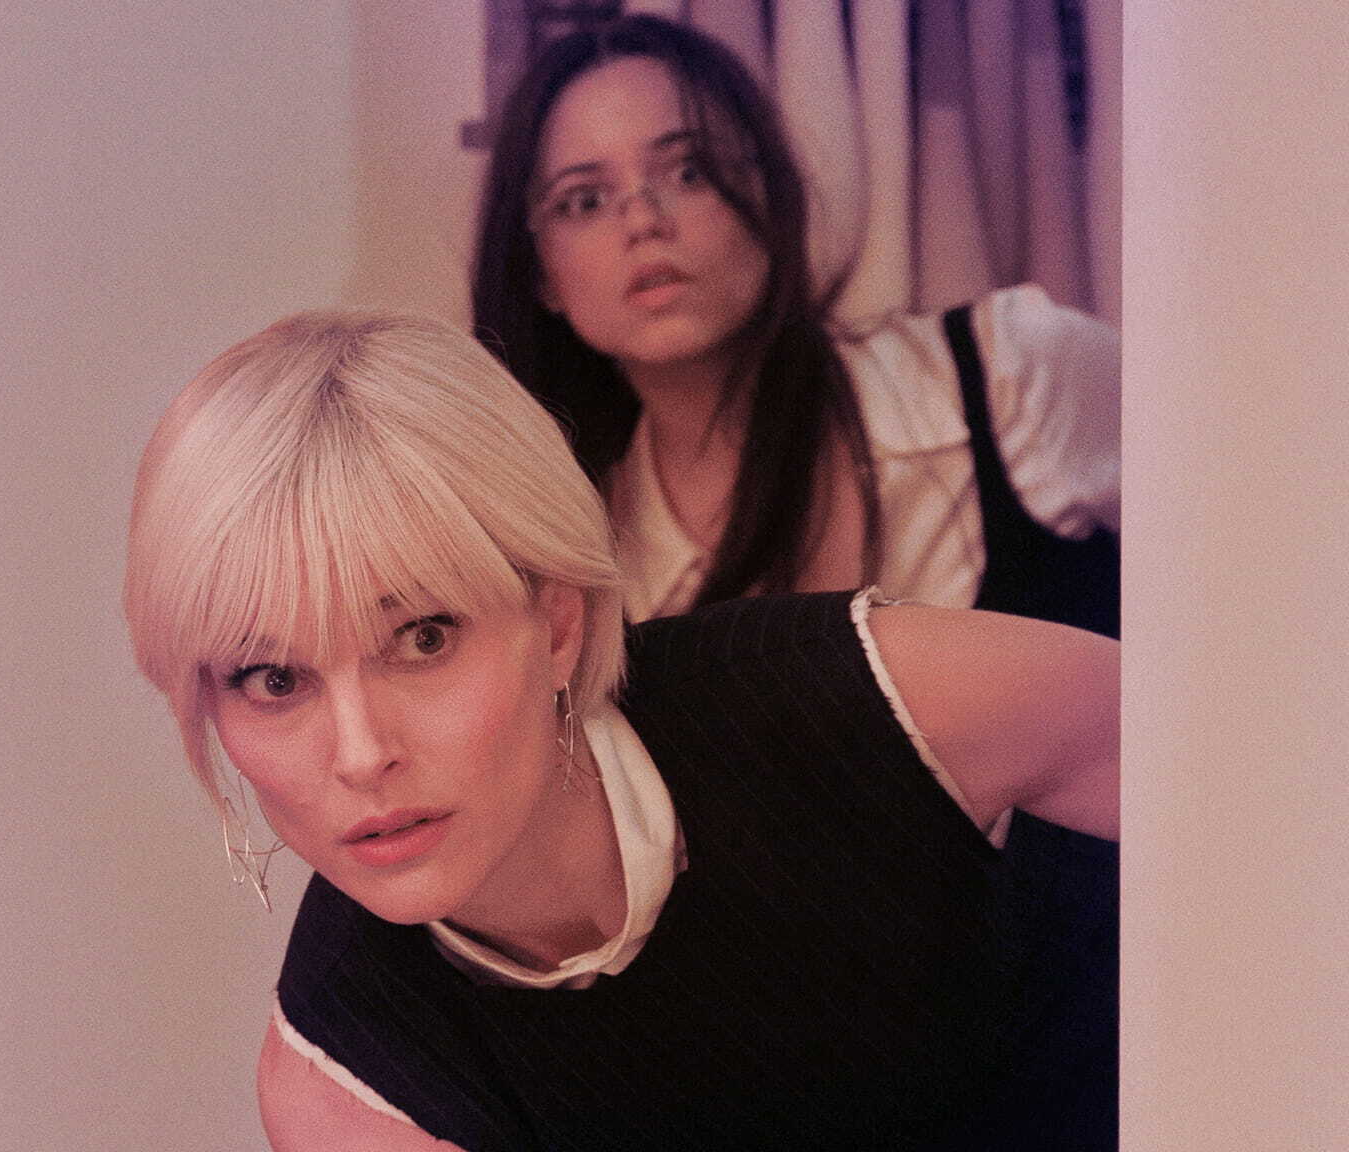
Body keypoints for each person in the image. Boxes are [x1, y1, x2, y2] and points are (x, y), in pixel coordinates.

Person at [123, 309, 1118, 1150]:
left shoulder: (858, 696)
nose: (359, 753)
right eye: (273, 679)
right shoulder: (349, 1091)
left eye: (422, 637)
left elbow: (1216, 774)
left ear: (557, 623)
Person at [470, 15, 1120, 638]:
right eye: (584, 200)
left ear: (771, 192)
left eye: (690, 171)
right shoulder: (588, 565)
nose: (643, 221)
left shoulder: (1016, 372)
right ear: (540, 273)